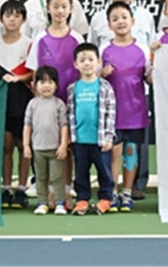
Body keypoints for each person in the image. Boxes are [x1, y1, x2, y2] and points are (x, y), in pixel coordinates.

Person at [87, 0, 155, 200]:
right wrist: (100, 74)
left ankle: (134, 187)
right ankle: (110, 190)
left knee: (134, 148)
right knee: (112, 148)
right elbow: (92, 53)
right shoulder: (98, 19)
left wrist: (152, 75)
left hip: (137, 96)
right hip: (110, 99)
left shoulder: (145, 17)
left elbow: (151, 52)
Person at [25, 0, 84, 206]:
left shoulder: (76, 38)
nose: (60, 11)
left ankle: (65, 191)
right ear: (48, 9)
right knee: (48, 147)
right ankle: (49, 191)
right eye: (55, 6)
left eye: (64, 7)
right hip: (46, 103)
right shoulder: (40, 38)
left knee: (66, 146)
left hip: (71, 101)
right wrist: (39, 101)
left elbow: (82, 71)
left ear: (71, 10)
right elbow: (35, 73)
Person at [99, 2, 152, 213]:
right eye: (115, 19)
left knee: (131, 152)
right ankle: (112, 193)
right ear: (109, 25)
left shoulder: (143, 49)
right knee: (114, 153)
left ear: (133, 21)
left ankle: (127, 193)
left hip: (135, 111)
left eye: (124, 17)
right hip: (111, 113)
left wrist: (156, 72)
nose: (120, 22)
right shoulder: (104, 49)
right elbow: (94, 76)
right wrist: (102, 74)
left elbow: (148, 78)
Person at [0, 0, 33, 210]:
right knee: (6, 145)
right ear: (1, 19)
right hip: (2, 101)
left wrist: (18, 78)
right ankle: (6, 188)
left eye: (17, 16)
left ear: (23, 19)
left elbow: (34, 72)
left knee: (24, 145)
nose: (12, 20)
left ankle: (22, 189)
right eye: (8, 15)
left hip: (23, 99)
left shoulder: (29, 44)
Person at [67, 43, 116, 216]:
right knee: (81, 172)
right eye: (82, 60)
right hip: (80, 140)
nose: (87, 63)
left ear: (98, 62)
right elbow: (70, 113)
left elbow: (111, 113)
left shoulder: (105, 87)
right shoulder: (72, 88)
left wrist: (108, 137)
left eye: (90, 59)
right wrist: (70, 137)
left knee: (104, 171)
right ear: (76, 64)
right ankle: (82, 200)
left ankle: (106, 198)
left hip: (100, 140)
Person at [23, 66, 70, 216]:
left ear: (56, 85)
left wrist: (63, 144)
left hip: (55, 149)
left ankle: (60, 203)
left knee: (57, 177)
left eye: (50, 82)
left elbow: (64, 126)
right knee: (41, 177)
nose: (46, 86)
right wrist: (26, 145)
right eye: (42, 82)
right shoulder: (32, 104)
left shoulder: (59, 104)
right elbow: (27, 126)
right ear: (35, 85)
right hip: (38, 149)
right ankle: (42, 203)